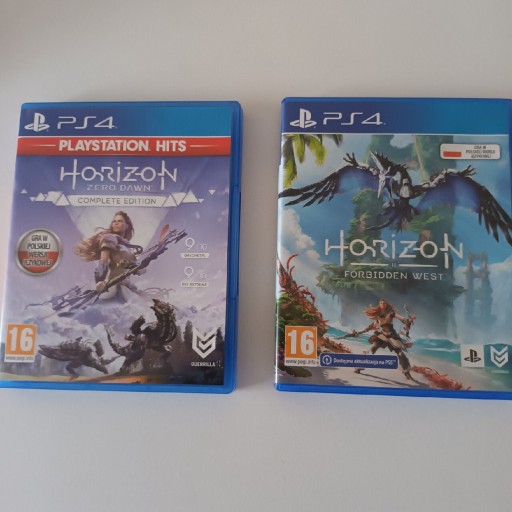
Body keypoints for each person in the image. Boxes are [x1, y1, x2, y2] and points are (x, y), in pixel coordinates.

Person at [75, 211, 142, 299]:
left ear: (127, 225)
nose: (116, 223)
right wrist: (100, 281)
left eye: (120, 221)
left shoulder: (128, 248)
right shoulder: (109, 238)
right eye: (114, 221)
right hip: (110, 287)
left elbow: (134, 268)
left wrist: (140, 269)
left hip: (126, 287)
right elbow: (103, 262)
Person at [355, 299, 412, 379]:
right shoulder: (378, 315)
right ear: (379, 304)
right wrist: (362, 331)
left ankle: (406, 371)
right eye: (381, 303)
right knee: (373, 348)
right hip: (382, 336)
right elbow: (374, 325)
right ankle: (359, 366)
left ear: (386, 304)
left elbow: (400, 318)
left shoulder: (391, 313)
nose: (382, 304)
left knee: (400, 353)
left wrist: (406, 321)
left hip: (392, 336)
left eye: (384, 303)